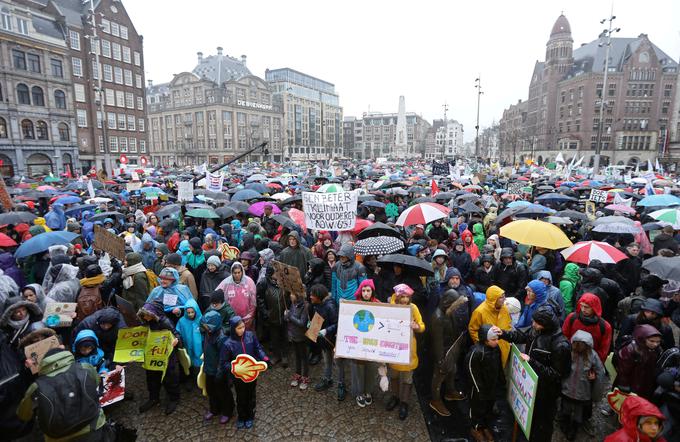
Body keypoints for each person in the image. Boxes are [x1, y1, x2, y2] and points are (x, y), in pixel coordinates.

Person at [492, 305, 572, 442]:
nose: (533, 324)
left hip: (546, 392)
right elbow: (521, 336)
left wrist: (532, 362)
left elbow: (557, 375)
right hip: (530, 385)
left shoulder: (560, 345)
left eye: (536, 322)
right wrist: (503, 334)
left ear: (546, 324)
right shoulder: (536, 330)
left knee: (542, 424)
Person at [17, 347, 111, 441]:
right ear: (67, 355)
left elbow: (23, 415)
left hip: (58, 437)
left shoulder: (36, 387)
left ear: (43, 364)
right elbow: (97, 382)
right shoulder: (85, 367)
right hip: (93, 427)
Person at [218, 316, 268, 430]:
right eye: (239, 328)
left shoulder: (250, 336)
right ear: (233, 329)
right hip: (238, 377)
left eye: (243, 327)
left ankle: (250, 415)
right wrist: (235, 368)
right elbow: (223, 362)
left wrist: (263, 357)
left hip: (251, 374)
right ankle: (242, 416)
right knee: (240, 397)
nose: (242, 330)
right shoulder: (227, 344)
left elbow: (258, 348)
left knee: (251, 395)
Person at [385, 283, 425, 420]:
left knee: (407, 378)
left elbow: (422, 326)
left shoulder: (413, 308)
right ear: (397, 296)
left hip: (408, 349)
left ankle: (404, 403)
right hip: (393, 347)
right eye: (402, 297)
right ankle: (395, 397)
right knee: (394, 375)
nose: (405, 300)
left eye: (407, 297)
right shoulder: (390, 308)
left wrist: (417, 326)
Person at [558, 330, 607, 440]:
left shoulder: (592, 356)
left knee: (578, 414)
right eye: (576, 343)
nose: (578, 346)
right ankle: (564, 424)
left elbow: (600, 374)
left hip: (583, 392)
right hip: (567, 389)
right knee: (566, 409)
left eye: (581, 344)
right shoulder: (569, 352)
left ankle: (574, 429)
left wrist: (594, 382)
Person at [429, 289, 470, 416]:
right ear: (447, 302)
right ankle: (435, 400)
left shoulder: (448, 312)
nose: (457, 308)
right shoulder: (438, 317)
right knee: (438, 377)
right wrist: (440, 360)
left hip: (450, 349)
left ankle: (450, 392)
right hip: (442, 352)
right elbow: (437, 342)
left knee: (452, 370)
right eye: (455, 304)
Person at [137, 302, 182, 415]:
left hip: (167, 355)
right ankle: (153, 398)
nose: (145, 317)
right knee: (152, 377)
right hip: (153, 355)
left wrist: (176, 340)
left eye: (146, 315)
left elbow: (176, 334)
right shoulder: (147, 323)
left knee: (169, 377)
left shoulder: (165, 322)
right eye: (143, 315)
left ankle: (173, 399)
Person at [466, 324, 504, 442]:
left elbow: (499, 366)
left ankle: (485, 426)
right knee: (477, 408)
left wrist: (501, 380)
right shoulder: (477, 352)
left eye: (497, 339)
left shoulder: (496, 349)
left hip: (491, 386)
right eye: (493, 340)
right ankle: (476, 428)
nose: (496, 342)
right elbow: (470, 370)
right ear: (484, 339)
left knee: (488, 408)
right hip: (478, 389)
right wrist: (478, 388)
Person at [200, 310, 233, 424]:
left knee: (223, 392)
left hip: (219, 371)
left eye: (207, 326)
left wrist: (220, 372)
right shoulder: (208, 334)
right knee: (211, 391)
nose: (206, 328)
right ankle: (214, 409)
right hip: (209, 368)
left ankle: (227, 411)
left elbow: (224, 357)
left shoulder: (222, 338)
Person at [350, 279, 380, 407]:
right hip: (358, 343)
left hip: (372, 343)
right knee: (358, 369)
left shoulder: (378, 304)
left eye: (368, 290)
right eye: (363, 290)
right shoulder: (354, 305)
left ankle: (368, 391)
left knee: (371, 368)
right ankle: (359, 392)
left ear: (372, 291)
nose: (366, 293)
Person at [614, 324, 663, 400]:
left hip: (646, 383)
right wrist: (624, 385)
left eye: (658, 341)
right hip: (632, 383)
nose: (655, 344)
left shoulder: (657, 349)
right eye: (652, 341)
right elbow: (623, 370)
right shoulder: (630, 350)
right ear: (643, 338)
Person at [562, 293, 613, 363]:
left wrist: (594, 367)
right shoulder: (571, 318)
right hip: (570, 359)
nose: (583, 309)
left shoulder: (605, 326)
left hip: (590, 363)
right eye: (581, 306)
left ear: (594, 307)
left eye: (586, 307)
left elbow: (603, 351)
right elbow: (564, 337)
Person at [469, 285, 512, 365]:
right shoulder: (479, 312)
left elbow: (508, 324)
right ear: (493, 299)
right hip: (489, 351)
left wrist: (508, 338)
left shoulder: (504, 308)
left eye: (504, 296)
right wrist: (483, 344)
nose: (504, 299)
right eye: (501, 297)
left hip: (504, 348)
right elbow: (473, 329)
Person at [257, 265, 288, 366]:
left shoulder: (283, 282)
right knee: (274, 337)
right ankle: (276, 355)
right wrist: (265, 313)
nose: (278, 274)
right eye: (275, 272)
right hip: (272, 315)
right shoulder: (264, 283)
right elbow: (259, 298)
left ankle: (284, 356)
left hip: (284, 316)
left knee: (284, 336)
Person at [217, 262, 257, 330]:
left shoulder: (249, 282)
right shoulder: (226, 283)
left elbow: (253, 301)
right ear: (232, 273)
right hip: (231, 317)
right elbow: (217, 294)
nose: (237, 275)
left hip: (247, 318)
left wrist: (250, 315)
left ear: (242, 272)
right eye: (235, 273)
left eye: (239, 272)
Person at [285, 287, 310, 390]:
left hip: (302, 336)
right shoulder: (293, 304)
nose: (290, 295)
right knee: (297, 356)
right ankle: (298, 373)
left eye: (293, 294)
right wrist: (286, 316)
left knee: (304, 357)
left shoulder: (305, 306)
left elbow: (302, 323)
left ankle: (305, 376)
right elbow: (289, 318)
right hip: (293, 335)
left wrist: (290, 316)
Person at [176, 298, 203, 381]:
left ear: (196, 311)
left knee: (199, 362)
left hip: (199, 347)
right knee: (188, 362)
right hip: (187, 345)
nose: (190, 314)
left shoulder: (201, 320)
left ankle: (200, 379)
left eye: (192, 312)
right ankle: (190, 378)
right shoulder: (182, 321)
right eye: (188, 313)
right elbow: (177, 332)